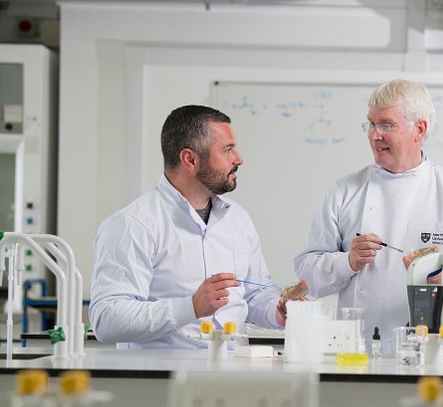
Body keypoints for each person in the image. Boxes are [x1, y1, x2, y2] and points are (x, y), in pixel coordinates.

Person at [293, 79, 443, 355]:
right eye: (371, 124)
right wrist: (348, 261)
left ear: (420, 129)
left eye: (386, 125)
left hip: (435, 352)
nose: (374, 135)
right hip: (358, 351)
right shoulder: (344, 192)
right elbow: (307, 276)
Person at [90, 105, 292, 349]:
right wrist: (190, 307)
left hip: (234, 376)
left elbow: (254, 293)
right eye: (228, 150)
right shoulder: (132, 224)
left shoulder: (238, 219)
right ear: (190, 159)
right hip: (161, 381)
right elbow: (107, 319)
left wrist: (277, 309)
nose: (239, 159)